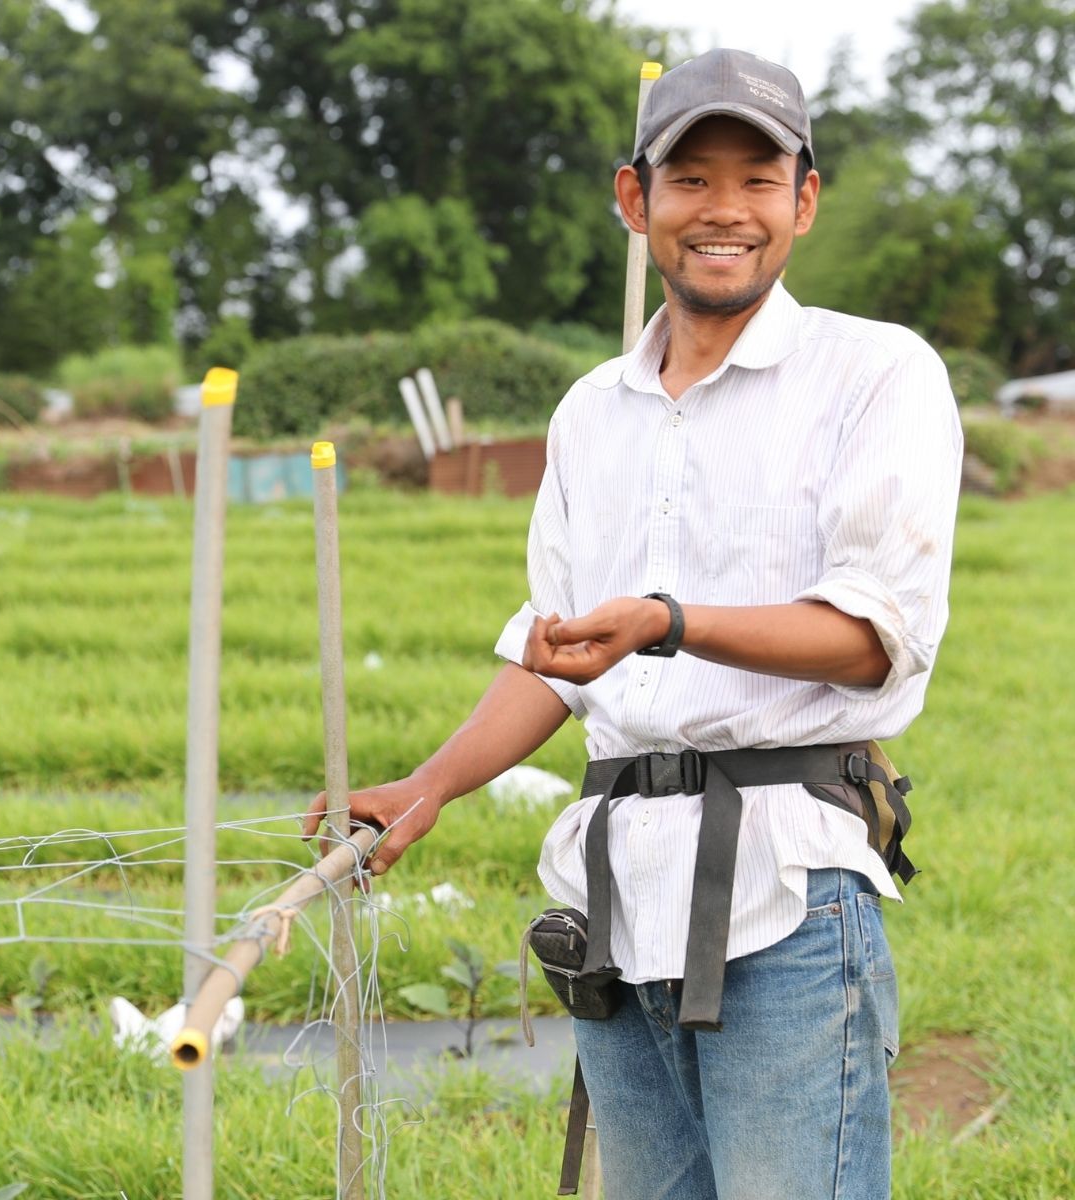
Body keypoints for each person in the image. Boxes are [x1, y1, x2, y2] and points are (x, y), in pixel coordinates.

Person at [305, 47, 962, 1200]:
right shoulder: (591, 413)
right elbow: (552, 653)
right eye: (690, 179)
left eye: (757, 180)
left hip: (786, 896)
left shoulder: (873, 374)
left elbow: (874, 633)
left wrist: (668, 621)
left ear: (803, 200)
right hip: (615, 903)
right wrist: (428, 787)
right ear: (634, 200)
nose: (724, 212)